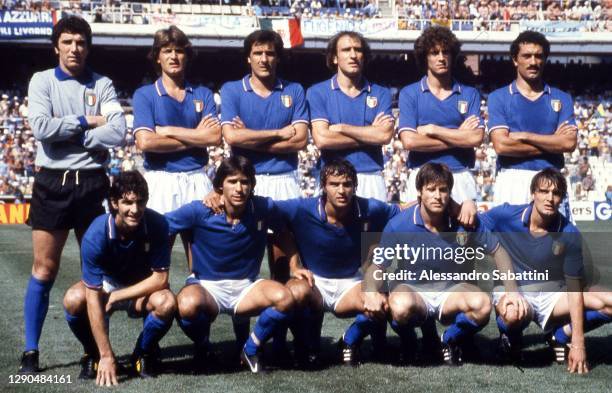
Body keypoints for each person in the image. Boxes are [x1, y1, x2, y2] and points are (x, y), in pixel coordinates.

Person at [21, 15, 126, 373]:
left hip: (94, 183)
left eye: (80, 42)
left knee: (93, 272)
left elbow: (118, 132)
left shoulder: (104, 84)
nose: (74, 48)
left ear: (88, 47)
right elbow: (41, 128)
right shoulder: (42, 82)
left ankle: (94, 352)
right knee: (44, 268)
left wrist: (79, 137)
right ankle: (31, 352)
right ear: (56, 47)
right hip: (52, 181)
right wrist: (86, 121)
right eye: (67, 42)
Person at [219, 29, 308, 352]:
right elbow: (232, 138)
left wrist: (253, 136)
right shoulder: (232, 90)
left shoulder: (294, 90)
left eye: (270, 53)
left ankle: (281, 335)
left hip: (285, 179)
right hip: (246, 181)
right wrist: (278, 134)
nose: (264, 59)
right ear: (248, 57)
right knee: (243, 262)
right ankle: (242, 337)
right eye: (258, 53)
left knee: (283, 262)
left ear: (277, 57)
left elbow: (300, 140)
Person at [166, 156, 295, 374]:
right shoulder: (200, 210)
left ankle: (251, 348)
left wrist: (296, 264)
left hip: (246, 286)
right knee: (186, 305)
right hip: (207, 286)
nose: (239, 188)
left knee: (285, 298)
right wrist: (159, 272)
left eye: (245, 182)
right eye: (232, 181)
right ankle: (204, 347)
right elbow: (161, 226)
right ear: (219, 186)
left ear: (252, 185)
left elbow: (285, 229)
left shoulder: (262, 207)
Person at [481, 168, 612, 374]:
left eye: (556, 193)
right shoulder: (507, 215)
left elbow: (573, 289)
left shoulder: (569, 232)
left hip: (553, 294)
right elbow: (473, 224)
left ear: (562, 199)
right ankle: (511, 339)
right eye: (543, 191)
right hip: (515, 290)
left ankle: (560, 336)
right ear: (533, 193)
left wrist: (578, 343)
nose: (550, 198)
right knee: (512, 314)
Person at [276, 159, 399, 366]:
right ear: (323, 186)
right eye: (334, 184)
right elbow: (265, 212)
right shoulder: (302, 208)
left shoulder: (370, 208)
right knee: (295, 294)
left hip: (351, 282)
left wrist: (458, 204)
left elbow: (404, 209)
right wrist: (294, 264)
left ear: (355, 187)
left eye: (347, 184)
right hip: (314, 282)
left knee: (380, 303)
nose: (341, 190)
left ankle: (349, 341)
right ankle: (307, 345)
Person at [375, 163, 499, 365]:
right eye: (431, 189)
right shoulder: (399, 224)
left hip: (450, 292)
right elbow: (378, 265)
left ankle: (448, 339)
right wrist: (371, 289)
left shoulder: (463, 221)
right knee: (398, 306)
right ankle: (410, 341)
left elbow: (498, 251)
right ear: (420, 192)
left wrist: (511, 289)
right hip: (414, 291)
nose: (437, 195)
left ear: (450, 193)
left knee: (482, 305)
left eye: (443, 190)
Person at [62, 171, 175, 385]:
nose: (135, 210)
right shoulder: (96, 233)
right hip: (107, 284)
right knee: (73, 299)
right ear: (114, 203)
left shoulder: (157, 224)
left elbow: (160, 279)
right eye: (127, 202)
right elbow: (93, 296)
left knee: (167, 302)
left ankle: (142, 353)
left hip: (143, 286)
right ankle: (93, 353)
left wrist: (118, 296)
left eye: (140, 202)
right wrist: (106, 355)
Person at [133, 25, 221, 269]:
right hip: (162, 180)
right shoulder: (145, 95)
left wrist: (169, 131)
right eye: (167, 50)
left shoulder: (202, 94)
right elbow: (146, 142)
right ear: (157, 57)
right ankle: (156, 305)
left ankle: (198, 303)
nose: (174, 56)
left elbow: (214, 137)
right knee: (156, 259)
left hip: (197, 179)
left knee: (201, 256)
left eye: (179, 51)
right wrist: (197, 135)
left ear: (187, 56)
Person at [398, 26, 482, 221]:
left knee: (463, 241)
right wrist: (458, 135)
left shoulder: (470, 94)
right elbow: (410, 142)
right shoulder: (410, 94)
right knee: (419, 240)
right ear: (424, 57)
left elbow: (475, 138)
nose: (441, 57)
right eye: (434, 53)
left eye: (446, 52)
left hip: (460, 175)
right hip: (421, 175)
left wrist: (433, 130)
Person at [487, 31, 577, 208]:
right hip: (512, 178)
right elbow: (502, 146)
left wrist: (525, 136)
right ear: (515, 60)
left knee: (553, 236)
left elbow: (568, 143)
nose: (533, 62)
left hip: (552, 178)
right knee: (509, 236)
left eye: (539, 56)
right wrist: (552, 142)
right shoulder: (498, 97)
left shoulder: (562, 98)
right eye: (527, 56)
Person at [307, 31, 395, 202]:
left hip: (371, 176)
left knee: (373, 229)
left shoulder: (381, 92)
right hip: (333, 178)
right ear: (334, 58)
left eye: (358, 50)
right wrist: (370, 134)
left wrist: (342, 128)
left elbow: (384, 136)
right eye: (346, 50)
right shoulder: (317, 92)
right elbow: (322, 139)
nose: (353, 55)